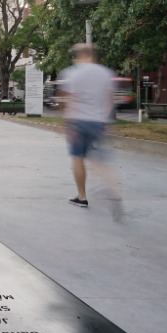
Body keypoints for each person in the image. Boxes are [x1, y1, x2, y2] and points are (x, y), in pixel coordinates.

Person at [59, 43, 121, 210]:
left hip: (78, 121)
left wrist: (67, 120)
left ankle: (82, 197)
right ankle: (113, 190)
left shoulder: (72, 73)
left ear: (78, 56)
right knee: (99, 159)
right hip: (98, 121)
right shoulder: (106, 73)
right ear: (93, 56)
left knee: (78, 157)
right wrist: (104, 120)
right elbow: (109, 100)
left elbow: (68, 100)